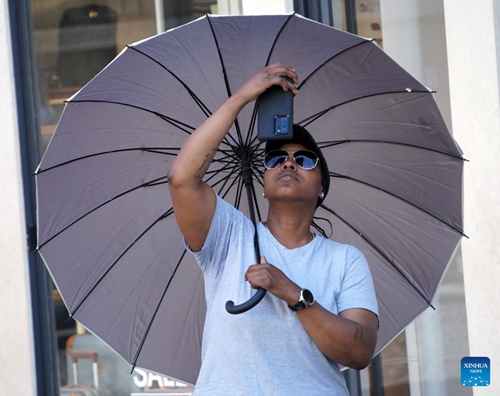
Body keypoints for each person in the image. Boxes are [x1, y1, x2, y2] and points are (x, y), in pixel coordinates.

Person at [167, 63, 379, 395]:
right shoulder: (230, 236)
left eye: (305, 159)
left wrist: (293, 293)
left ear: (322, 186)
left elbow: (359, 351)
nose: (289, 163)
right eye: (275, 158)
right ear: (263, 184)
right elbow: (182, 178)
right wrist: (242, 97)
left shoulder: (345, 261)